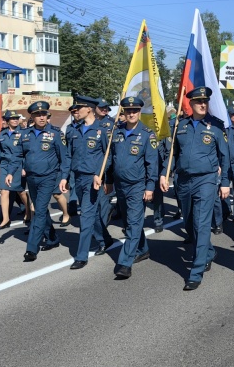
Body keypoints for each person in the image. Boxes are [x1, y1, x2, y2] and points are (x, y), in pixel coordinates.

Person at [160, 86, 230, 291]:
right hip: (183, 181)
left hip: (206, 180)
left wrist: (225, 182)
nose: (202, 104)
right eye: (198, 101)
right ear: (190, 104)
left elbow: (225, 156)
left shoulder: (216, 126)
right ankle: (208, 252)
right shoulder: (180, 126)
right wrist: (165, 174)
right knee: (189, 223)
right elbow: (173, 154)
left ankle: (196, 271)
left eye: (205, 101)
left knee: (201, 223)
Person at [109, 96, 157, 278]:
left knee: (134, 224)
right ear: (124, 112)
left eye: (135, 110)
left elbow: (152, 164)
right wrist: (107, 180)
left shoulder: (147, 134)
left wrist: (150, 187)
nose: (131, 114)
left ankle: (125, 262)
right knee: (130, 222)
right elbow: (111, 160)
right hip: (120, 185)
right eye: (128, 111)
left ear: (139, 112)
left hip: (137, 185)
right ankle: (143, 249)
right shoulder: (117, 132)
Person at [65, 96, 113, 270]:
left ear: (90, 109)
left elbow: (108, 156)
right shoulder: (75, 130)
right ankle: (105, 239)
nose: (77, 110)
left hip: (93, 179)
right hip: (78, 177)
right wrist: (64, 177)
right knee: (90, 214)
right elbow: (69, 155)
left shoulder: (102, 130)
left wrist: (99, 174)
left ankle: (81, 256)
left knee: (85, 215)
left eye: (81, 107)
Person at [20, 101, 70, 261]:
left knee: (39, 211)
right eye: (37, 115)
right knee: (42, 211)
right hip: (31, 178)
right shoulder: (25, 134)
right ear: (32, 117)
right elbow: (20, 155)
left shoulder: (56, 134)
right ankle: (52, 237)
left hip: (48, 177)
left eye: (44, 115)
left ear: (48, 116)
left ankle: (31, 249)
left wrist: (63, 177)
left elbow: (65, 158)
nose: (41, 118)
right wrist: (18, 169)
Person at [0, 110, 28, 229]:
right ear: (7, 121)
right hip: (5, 164)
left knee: (20, 191)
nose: (15, 120)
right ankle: (6, 219)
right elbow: (0, 150)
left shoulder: (24, 133)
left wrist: (24, 167)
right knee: (4, 191)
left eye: (17, 118)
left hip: (18, 164)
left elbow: (26, 152)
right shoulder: (3, 134)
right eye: (12, 118)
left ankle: (28, 211)